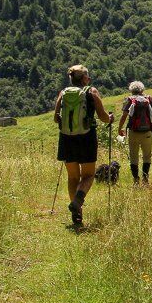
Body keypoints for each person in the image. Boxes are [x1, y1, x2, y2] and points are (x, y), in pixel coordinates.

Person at [54, 64, 113, 228]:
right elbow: (103, 117)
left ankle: (77, 214)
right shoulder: (91, 92)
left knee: (73, 177)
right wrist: (111, 118)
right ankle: (78, 199)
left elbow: (55, 118)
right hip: (87, 138)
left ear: (71, 78)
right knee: (88, 175)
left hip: (67, 139)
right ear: (85, 78)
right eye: (88, 76)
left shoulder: (63, 93)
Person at [117, 80, 152, 184]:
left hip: (133, 132)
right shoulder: (149, 99)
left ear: (131, 90)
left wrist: (119, 128)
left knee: (133, 157)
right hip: (147, 133)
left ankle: (136, 179)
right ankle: (145, 178)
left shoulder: (129, 100)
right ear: (142, 89)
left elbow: (124, 115)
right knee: (147, 156)